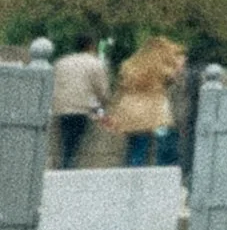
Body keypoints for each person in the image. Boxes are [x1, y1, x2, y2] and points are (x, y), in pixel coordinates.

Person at [103, 35, 185, 167]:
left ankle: (130, 180)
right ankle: (161, 179)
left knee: (137, 148)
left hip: (131, 113)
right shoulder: (161, 67)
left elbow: (120, 89)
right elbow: (175, 79)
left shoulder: (129, 65)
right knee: (165, 147)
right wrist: (178, 65)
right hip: (155, 113)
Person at [48, 36, 109, 168]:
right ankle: (67, 167)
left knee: (65, 139)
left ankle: (63, 165)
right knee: (74, 142)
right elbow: (102, 91)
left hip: (60, 107)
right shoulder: (95, 63)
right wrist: (104, 105)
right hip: (81, 108)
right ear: (91, 46)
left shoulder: (61, 62)